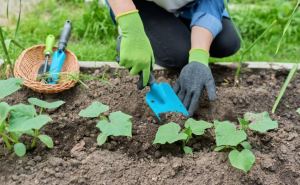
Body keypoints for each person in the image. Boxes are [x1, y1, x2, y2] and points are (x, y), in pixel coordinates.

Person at [106, 0, 241, 116]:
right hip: (142, 4)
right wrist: (131, 29)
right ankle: (150, 26)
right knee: (179, 55)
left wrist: (198, 56)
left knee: (227, 42)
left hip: (189, 4)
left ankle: (177, 23)